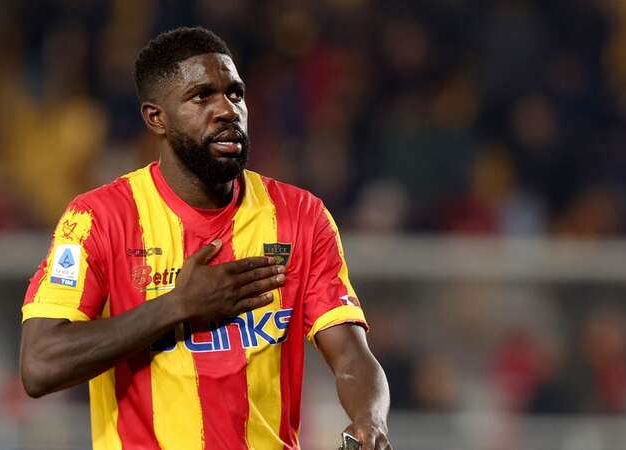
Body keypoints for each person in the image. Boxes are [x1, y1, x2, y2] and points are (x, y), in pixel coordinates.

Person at [20, 27, 391, 450]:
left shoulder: (301, 217)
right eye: (202, 97)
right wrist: (177, 307)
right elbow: (39, 364)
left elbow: (350, 354)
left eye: (235, 94)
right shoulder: (99, 218)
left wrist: (369, 418)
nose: (227, 110)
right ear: (155, 118)